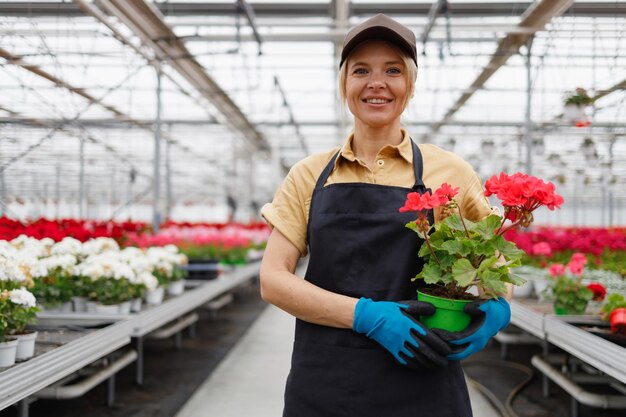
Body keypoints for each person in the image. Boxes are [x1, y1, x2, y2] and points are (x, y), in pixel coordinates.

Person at [260, 13, 512, 417]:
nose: (376, 82)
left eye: (392, 70)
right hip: (325, 382)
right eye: (361, 70)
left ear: (409, 85)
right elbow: (272, 280)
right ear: (345, 84)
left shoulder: (450, 172)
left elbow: (495, 261)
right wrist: (366, 315)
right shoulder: (309, 175)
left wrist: (498, 308)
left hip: (424, 378)